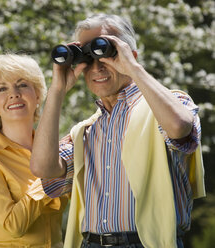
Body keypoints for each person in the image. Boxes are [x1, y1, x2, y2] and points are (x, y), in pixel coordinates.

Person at [30, 13, 205, 248]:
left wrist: (133, 68)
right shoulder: (86, 131)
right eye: (86, 57)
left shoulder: (169, 105)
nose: (97, 66)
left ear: (130, 55)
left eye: (105, 52)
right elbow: (43, 168)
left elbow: (179, 127)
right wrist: (57, 90)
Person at [0, 53, 69, 247]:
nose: (13, 93)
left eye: (22, 85)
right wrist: (49, 176)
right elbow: (13, 225)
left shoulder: (57, 150)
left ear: (37, 94)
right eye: (2, 88)